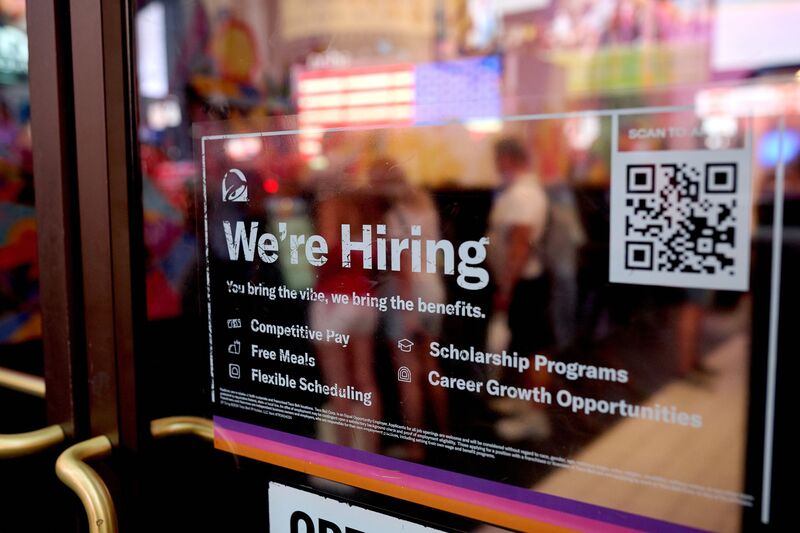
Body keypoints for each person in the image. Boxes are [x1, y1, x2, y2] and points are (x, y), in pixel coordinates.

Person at [488, 137, 552, 441]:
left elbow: (519, 246)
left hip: (524, 283)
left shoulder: (524, 195)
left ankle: (535, 416)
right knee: (524, 347)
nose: (496, 167)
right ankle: (525, 403)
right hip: (524, 282)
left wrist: (506, 287)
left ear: (508, 159)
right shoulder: (520, 192)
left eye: (498, 159)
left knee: (532, 351)